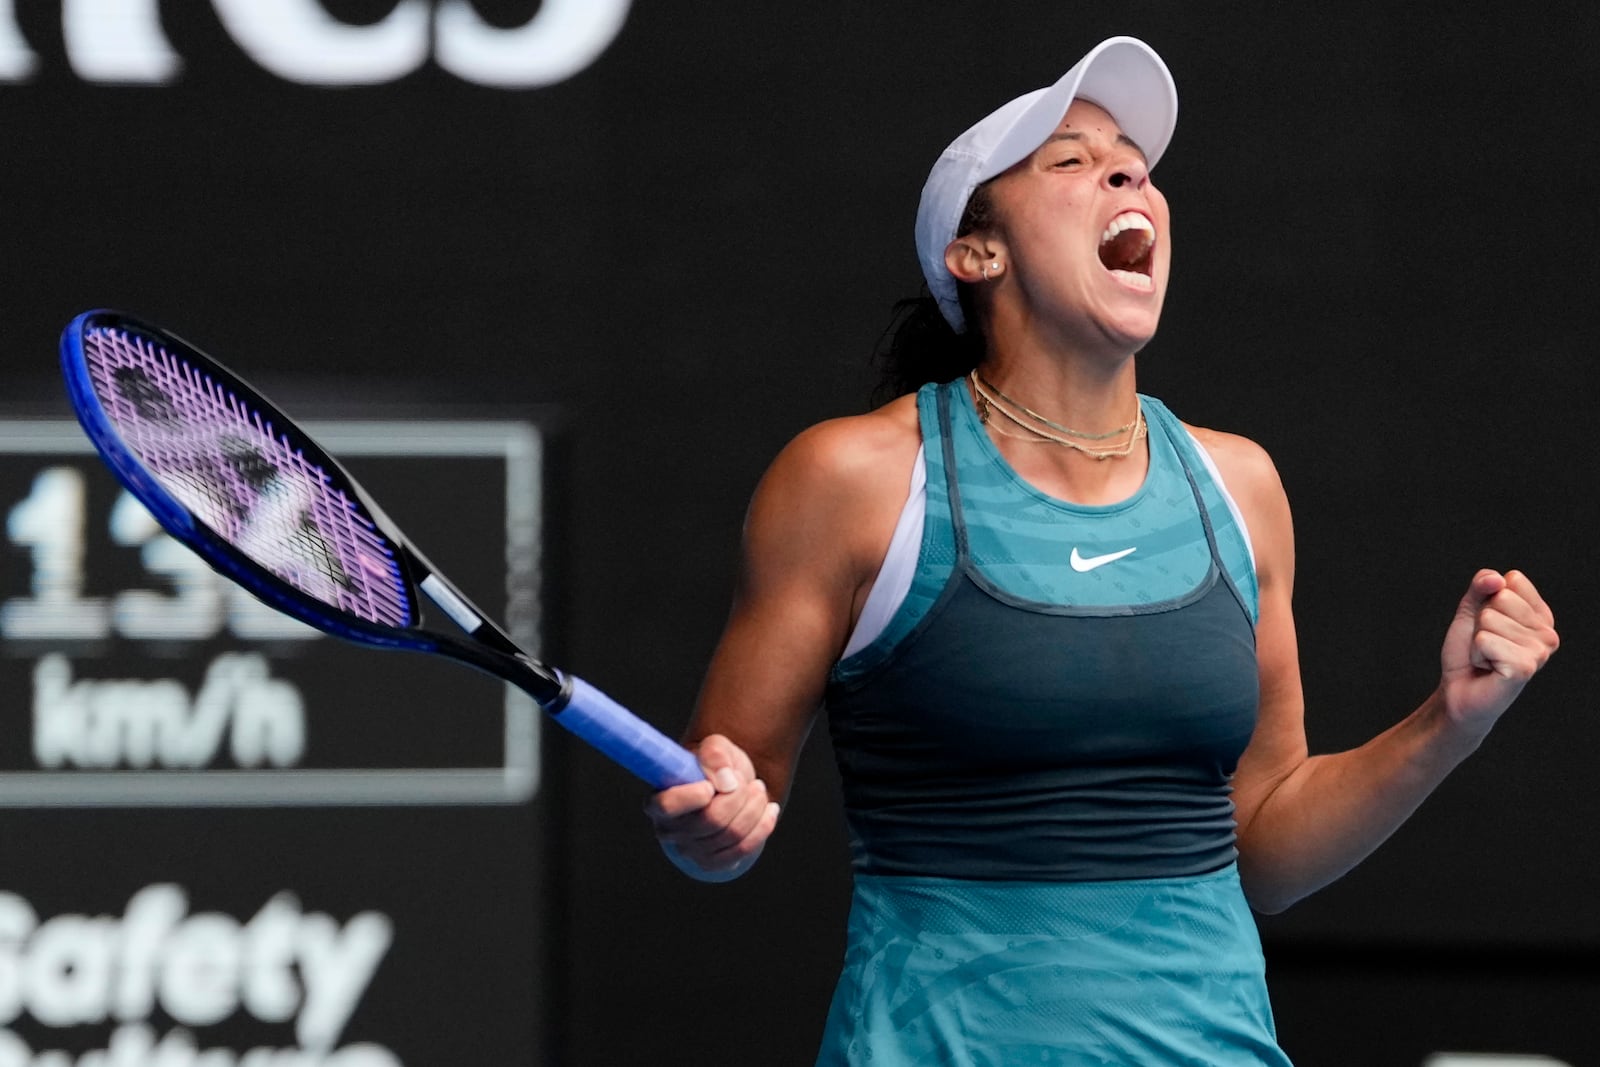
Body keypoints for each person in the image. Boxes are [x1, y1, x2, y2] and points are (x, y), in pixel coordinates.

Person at [644, 35, 1559, 1065]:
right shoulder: (853, 478)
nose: (1127, 172)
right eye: (1070, 161)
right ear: (975, 251)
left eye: (1133, 162)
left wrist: (1450, 722)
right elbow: (723, 796)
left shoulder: (1238, 486)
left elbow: (1261, 842)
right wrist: (709, 821)